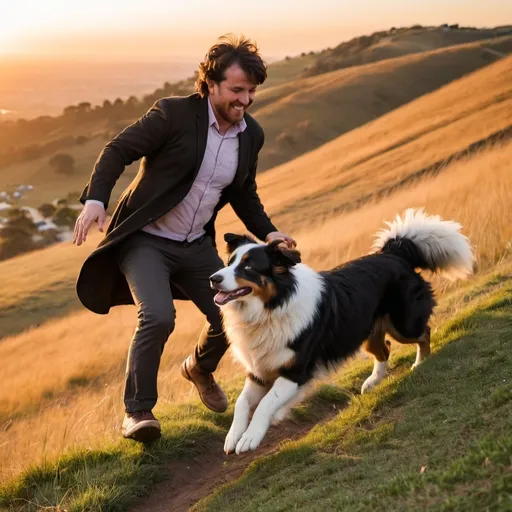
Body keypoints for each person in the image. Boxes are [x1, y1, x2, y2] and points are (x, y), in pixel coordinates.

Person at [73, 34, 295, 443]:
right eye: (236, 90)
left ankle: (198, 368)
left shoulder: (251, 135)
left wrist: (269, 233)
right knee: (157, 316)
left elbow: (244, 192)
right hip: (146, 240)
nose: (244, 100)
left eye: (250, 91)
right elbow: (117, 149)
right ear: (210, 84)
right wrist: (96, 200)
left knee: (233, 314)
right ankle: (137, 413)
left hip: (195, 245)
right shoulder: (173, 115)